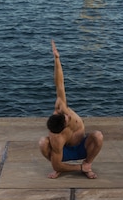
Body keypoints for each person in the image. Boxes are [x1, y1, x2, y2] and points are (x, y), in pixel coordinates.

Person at [39, 40, 103, 179]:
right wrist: (77, 168)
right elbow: (55, 166)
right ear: (62, 127)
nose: (68, 116)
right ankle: (76, 168)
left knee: (98, 136)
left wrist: (57, 59)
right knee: (43, 143)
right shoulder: (56, 138)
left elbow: (59, 83)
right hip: (65, 151)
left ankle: (88, 164)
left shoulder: (62, 108)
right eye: (66, 119)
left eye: (65, 116)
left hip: (82, 147)